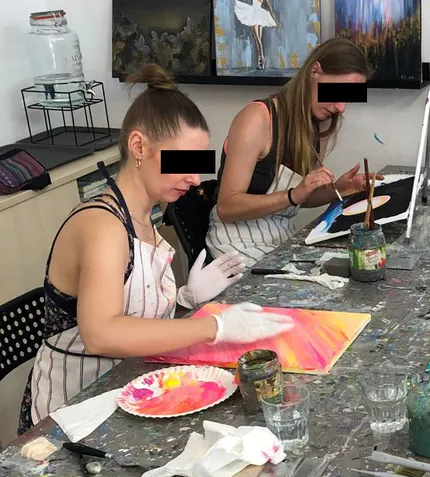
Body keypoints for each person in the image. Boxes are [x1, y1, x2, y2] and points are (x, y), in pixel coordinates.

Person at [27, 64, 295, 427]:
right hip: (73, 411)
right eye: (183, 162)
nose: (196, 179)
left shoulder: (148, 219)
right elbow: (101, 332)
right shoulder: (104, 225)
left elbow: (133, 315)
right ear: (139, 146)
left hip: (130, 391)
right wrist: (215, 327)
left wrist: (185, 299)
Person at [207, 37, 380, 266]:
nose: (341, 107)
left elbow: (301, 197)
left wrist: (337, 190)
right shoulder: (257, 119)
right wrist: (292, 195)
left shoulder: (320, 122)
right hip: (235, 243)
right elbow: (227, 207)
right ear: (314, 71)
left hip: (280, 237)